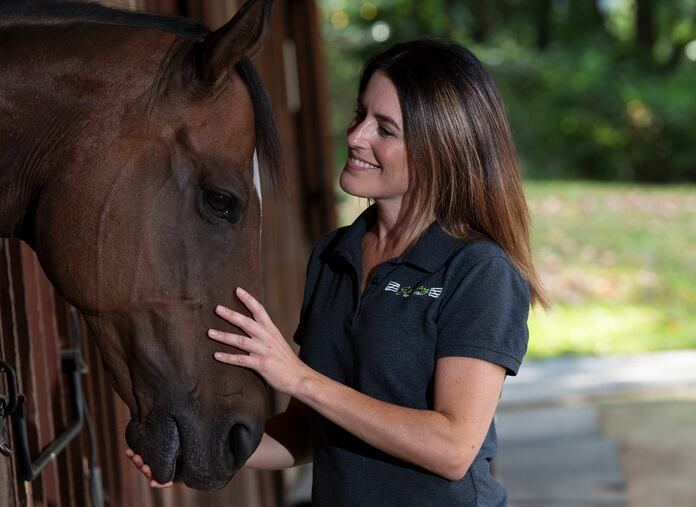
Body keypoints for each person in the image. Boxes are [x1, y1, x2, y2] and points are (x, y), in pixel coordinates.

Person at [126, 39, 549, 506]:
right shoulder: (334, 255)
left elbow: (452, 448)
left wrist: (299, 377)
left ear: (438, 150)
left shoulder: (477, 270)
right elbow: (308, 431)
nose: (355, 135)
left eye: (384, 129)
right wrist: (202, 451)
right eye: (360, 113)